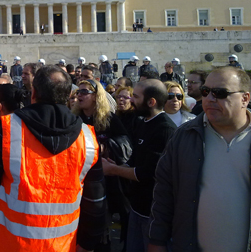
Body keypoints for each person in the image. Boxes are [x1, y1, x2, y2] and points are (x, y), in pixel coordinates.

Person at [0, 65, 106, 251]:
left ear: (33, 93)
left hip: (8, 241)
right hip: (62, 244)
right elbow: (95, 199)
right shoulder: (88, 138)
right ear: (68, 95)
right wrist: (88, 242)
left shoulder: (9, 128)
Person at [148, 67, 251, 252]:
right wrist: (157, 241)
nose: (210, 98)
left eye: (220, 93)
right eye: (206, 91)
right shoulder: (184, 136)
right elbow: (164, 193)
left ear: (245, 98)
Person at [102, 79, 176, 252]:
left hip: (152, 213)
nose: (131, 100)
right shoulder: (143, 122)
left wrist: (113, 170)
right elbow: (136, 161)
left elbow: (148, 173)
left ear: (151, 102)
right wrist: (119, 165)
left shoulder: (165, 129)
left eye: (135, 96)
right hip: (136, 208)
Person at [73, 79, 132, 250]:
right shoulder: (75, 118)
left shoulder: (109, 118)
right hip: (81, 176)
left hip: (106, 178)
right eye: (79, 92)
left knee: (102, 224)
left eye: (84, 92)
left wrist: (106, 146)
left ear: (95, 96)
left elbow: (125, 143)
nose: (80, 95)